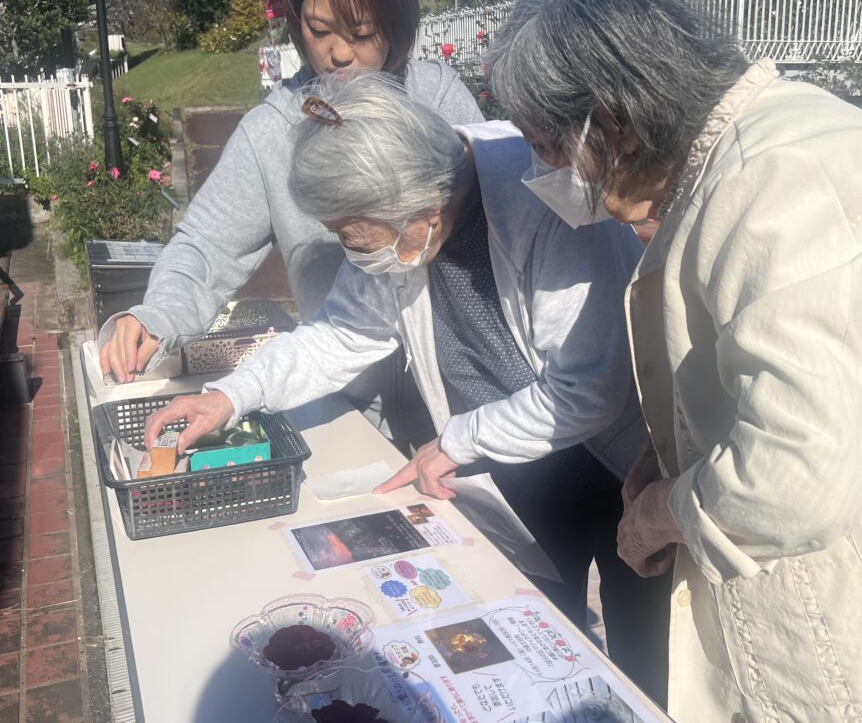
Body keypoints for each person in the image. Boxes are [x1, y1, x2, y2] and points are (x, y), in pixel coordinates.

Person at [485, 0, 862, 723]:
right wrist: (664, 453)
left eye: (549, 145)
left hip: (861, 629)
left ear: (614, 122)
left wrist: (657, 510)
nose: (541, 168)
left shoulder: (769, 180)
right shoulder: (745, 159)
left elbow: (795, 472)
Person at [143, 72, 670, 705]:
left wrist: (457, 439)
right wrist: (231, 394)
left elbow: (591, 388)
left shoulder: (542, 195)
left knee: (646, 654)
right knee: (537, 653)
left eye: (353, 236)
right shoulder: (399, 223)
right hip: (512, 476)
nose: (353, 254)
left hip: (616, 466)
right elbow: (342, 333)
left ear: (427, 205)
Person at [98, 0, 482, 447]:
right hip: (347, 402)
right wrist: (157, 316)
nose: (339, 52)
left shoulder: (440, 100)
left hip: (473, 402)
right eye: (318, 30)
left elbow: (505, 228)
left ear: (399, 18)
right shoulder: (273, 130)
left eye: (363, 32)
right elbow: (207, 245)